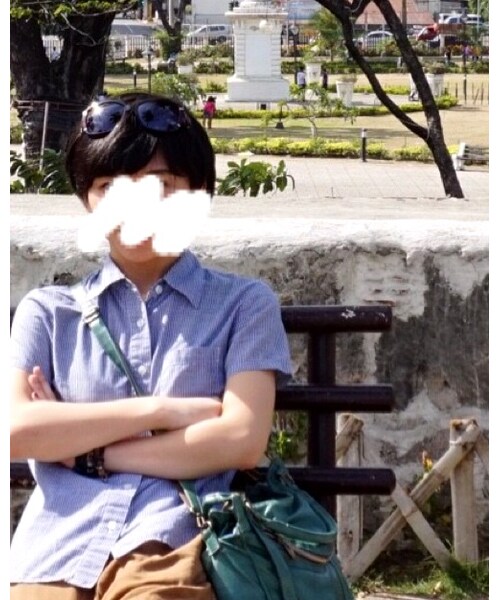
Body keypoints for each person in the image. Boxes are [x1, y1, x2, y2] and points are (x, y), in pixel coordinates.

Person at [10, 91, 292, 599]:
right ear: (86, 200)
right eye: (108, 187)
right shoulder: (49, 313)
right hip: (58, 543)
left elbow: (241, 440)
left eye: (160, 185)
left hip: (174, 539)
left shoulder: (243, 304)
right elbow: (16, 431)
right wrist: (162, 411)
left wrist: (89, 454)